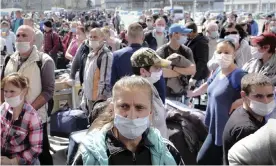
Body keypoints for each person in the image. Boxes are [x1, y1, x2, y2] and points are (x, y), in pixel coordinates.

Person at [73, 76, 184, 165]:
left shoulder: (168, 152)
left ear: (151, 112)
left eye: (139, 108)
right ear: (112, 109)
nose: (131, 116)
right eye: (124, 106)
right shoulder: (89, 156)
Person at [1, 25, 55, 165]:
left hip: (35, 119)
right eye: (18, 35)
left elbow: (48, 91)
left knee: (39, 153)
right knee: (12, 149)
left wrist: (26, 111)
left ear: (33, 40)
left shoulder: (44, 61)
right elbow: (2, 87)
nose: (20, 38)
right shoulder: (9, 59)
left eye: (24, 36)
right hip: (9, 117)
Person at [187, 40, 247, 164]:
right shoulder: (219, 70)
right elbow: (208, 84)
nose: (222, 55)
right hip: (214, 127)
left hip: (227, 130)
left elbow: (253, 94)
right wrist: (193, 93)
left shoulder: (238, 75)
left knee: (204, 160)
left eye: (227, 52)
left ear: (234, 54)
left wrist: (238, 103)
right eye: (219, 52)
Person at [222, 73, 274, 165]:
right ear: (243, 96)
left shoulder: (243, 111)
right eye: (258, 96)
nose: (266, 101)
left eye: (269, 95)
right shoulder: (247, 129)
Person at [111, 23, 166, 103]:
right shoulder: (151, 54)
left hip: (124, 100)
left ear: (126, 37)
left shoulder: (117, 55)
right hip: (146, 101)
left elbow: (113, 83)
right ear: (143, 37)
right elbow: (159, 83)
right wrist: (161, 105)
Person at [0, 73, 43, 165]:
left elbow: (36, 149)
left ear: (24, 91)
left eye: (12, 91)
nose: (7, 95)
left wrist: (13, 162)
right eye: (5, 91)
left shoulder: (32, 117)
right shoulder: (4, 107)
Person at [130, 47, 172, 138]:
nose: (160, 71)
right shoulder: (136, 94)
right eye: (157, 68)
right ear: (143, 71)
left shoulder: (149, 85)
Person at [156, 24, 196, 103]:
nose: (186, 36)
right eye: (183, 34)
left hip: (183, 93)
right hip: (166, 94)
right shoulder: (162, 51)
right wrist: (183, 72)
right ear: (174, 34)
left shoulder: (187, 51)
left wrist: (173, 68)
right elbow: (161, 72)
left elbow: (192, 70)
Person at [80, 28, 113, 112]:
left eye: (95, 37)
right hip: (89, 100)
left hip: (98, 102)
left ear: (102, 37)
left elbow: (106, 82)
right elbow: (86, 78)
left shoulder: (105, 55)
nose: (92, 39)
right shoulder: (90, 55)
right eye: (90, 37)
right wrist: (84, 98)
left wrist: (100, 103)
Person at [185, 22, 209, 87]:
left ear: (192, 31)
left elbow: (202, 61)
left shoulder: (201, 42)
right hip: (190, 72)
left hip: (198, 76)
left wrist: (194, 77)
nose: (185, 34)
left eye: (186, 32)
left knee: (194, 95)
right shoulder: (190, 40)